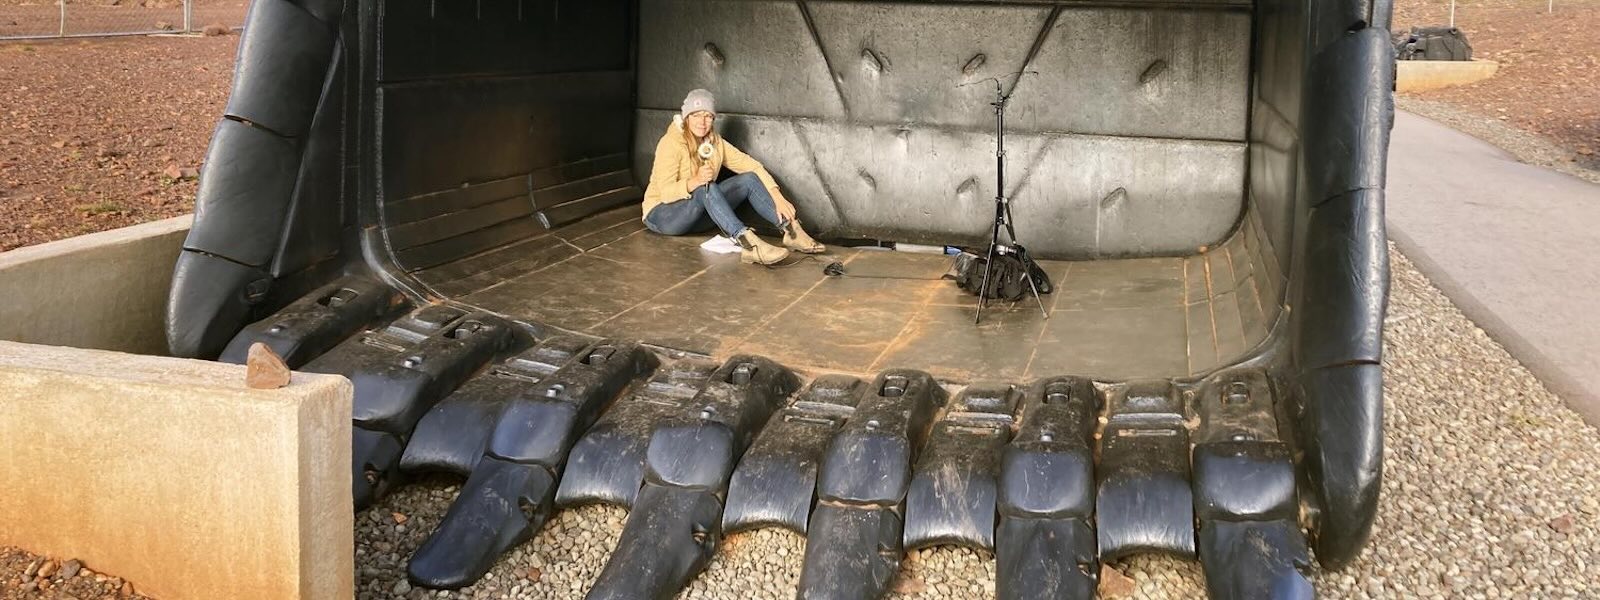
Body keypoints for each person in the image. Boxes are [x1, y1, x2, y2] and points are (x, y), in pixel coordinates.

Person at [642, 89, 825, 265]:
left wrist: (776, 195)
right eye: (696, 115)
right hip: (662, 215)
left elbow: (752, 166)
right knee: (706, 187)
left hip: (697, 218)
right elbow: (665, 193)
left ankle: (791, 231)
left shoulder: (715, 142)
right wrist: (694, 181)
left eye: (708, 116)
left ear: (713, 119)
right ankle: (749, 245)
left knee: (749, 179)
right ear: (686, 117)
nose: (702, 122)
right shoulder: (671, 143)